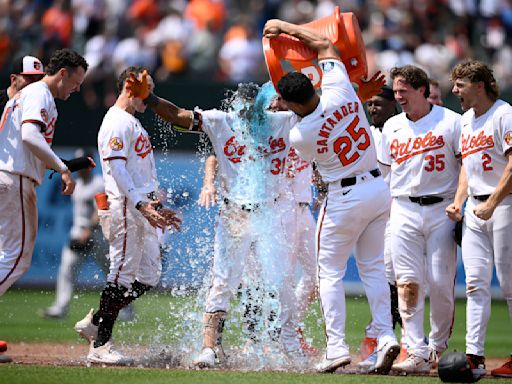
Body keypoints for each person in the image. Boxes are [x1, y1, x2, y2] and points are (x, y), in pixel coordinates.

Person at [125, 74, 303, 367]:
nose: (246, 112)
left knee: (281, 283)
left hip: (273, 211)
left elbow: (318, 110)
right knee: (223, 282)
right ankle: (210, 348)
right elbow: (181, 116)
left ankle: (289, 346)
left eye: (252, 106)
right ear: (234, 104)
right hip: (235, 212)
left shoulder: (281, 120)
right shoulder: (222, 121)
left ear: (264, 105)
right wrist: (152, 99)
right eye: (242, 106)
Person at [263, 19, 400, 374]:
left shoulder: (300, 135)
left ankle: (336, 347)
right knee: (373, 270)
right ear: (313, 83)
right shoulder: (340, 88)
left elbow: (310, 141)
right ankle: (385, 337)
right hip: (377, 188)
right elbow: (325, 45)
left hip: (344, 196)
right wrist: (285, 27)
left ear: (292, 104)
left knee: (329, 275)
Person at [73, 66, 181, 365]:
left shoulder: (131, 121)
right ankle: (100, 347)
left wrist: (153, 206)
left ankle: (95, 321)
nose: (152, 96)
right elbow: (117, 169)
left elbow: (138, 171)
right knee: (120, 274)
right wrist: (140, 205)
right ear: (132, 88)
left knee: (149, 274)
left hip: (140, 207)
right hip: (124, 205)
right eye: (149, 89)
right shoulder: (117, 121)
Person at [376, 65, 461, 374]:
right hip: (403, 208)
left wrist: (460, 204)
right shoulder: (392, 126)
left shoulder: (451, 122)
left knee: (440, 283)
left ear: (422, 90)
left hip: (442, 208)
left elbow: (465, 165)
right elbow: (385, 172)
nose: (398, 96)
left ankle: (437, 348)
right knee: (407, 284)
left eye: (403, 91)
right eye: (396, 91)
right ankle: (415, 349)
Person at [0, 48, 88, 296]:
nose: (77, 89)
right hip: (14, 178)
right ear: (62, 73)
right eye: (76, 82)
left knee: (6, 255)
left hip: (9, 175)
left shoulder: (27, 94)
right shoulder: (40, 93)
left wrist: (63, 166)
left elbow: (27, 144)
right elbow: (29, 136)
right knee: (16, 258)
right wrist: (62, 168)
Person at [446, 60, 512, 379]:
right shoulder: (465, 121)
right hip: (474, 209)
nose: (454, 90)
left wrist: (494, 203)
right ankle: (475, 356)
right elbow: (466, 169)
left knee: (511, 286)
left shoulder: (504, 113)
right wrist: (459, 202)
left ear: (479, 85)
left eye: (460, 84)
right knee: (474, 285)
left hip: (505, 205)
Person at [40, 148, 135, 322]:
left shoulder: (98, 183)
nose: (80, 169)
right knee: (67, 270)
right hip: (78, 232)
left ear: (90, 166)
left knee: (112, 273)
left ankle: (126, 308)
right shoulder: (76, 183)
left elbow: (101, 209)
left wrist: (89, 230)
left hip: (97, 234)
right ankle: (60, 308)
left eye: (83, 165)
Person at [358, 85, 403, 370]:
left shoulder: (400, 130)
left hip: (401, 211)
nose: (373, 109)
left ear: (392, 105)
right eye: (370, 104)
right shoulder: (366, 133)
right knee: (385, 279)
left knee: (400, 281)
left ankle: (381, 337)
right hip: (375, 214)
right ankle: (378, 337)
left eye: (378, 104)